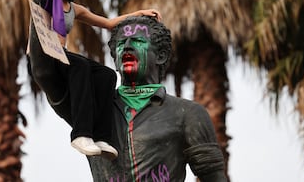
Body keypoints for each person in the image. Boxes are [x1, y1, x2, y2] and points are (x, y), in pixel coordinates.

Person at [27, 0, 161, 161]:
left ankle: (101, 137)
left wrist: (140, 13)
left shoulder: (74, 9)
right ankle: (80, 135)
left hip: (60, 57)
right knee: (80, 66)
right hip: (42, 56)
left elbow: (109, 23)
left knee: (107, 75)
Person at [88, 16, 227, 181]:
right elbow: (50, 73)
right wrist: (61, 7)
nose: (127, 47)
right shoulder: (92, 109)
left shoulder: (188, 114)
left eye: (138, 41)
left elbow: (215, 178)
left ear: (160, 56)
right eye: (121, 43)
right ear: (116, 61)